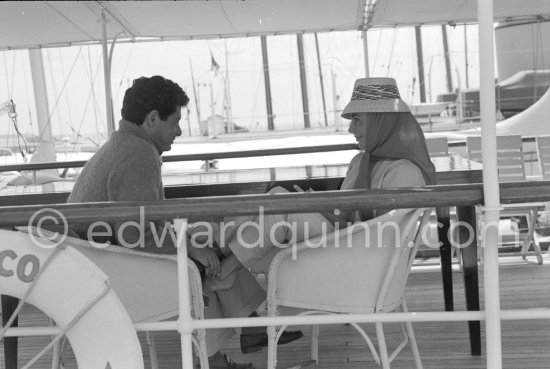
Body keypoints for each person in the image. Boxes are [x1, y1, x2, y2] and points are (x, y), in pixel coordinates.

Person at [67, 76, 301, 369]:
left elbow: (139, 225)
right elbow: (137, 235)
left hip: (93, 265)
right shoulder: (138, 155)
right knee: (199, 265)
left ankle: (244, 330)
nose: (178, 131)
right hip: (114, 278)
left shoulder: (121, 146)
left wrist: (190, 243)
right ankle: (239, 334)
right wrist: (189, 249)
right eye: (175, 121)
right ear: (153, 119)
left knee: (207, 249)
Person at [205, 77, 437, 284]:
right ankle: (221, 251)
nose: (350, 128)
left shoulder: (405, 172)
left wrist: (322, 211)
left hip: (363, 260)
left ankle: (225, 263)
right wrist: (318, 204)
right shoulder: (361, 162)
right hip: (348, 242)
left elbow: (385, 237)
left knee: (282, 209)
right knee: (278, 195)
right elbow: (349, 213)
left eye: (357, 119)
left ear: (380, 122)